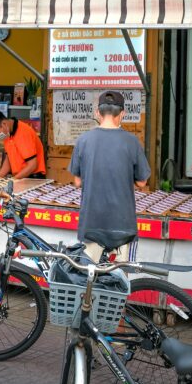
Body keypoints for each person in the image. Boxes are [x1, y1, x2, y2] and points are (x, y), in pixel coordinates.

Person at [69, 91, 151, 261]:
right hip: (122, 225)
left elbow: (77, 181)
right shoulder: (132, 142)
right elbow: (142, 182)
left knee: (90, 273)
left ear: (97, 113)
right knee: (118, 273)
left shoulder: (83, 140)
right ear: (122, 114)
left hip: (92, 224)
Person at [0, 110, 46, 179]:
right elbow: (8, 160)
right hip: (20, 177)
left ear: (4, 124)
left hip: (33, 178)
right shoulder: (7, 134)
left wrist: (14, 180)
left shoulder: (24, 133)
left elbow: (32, 165)